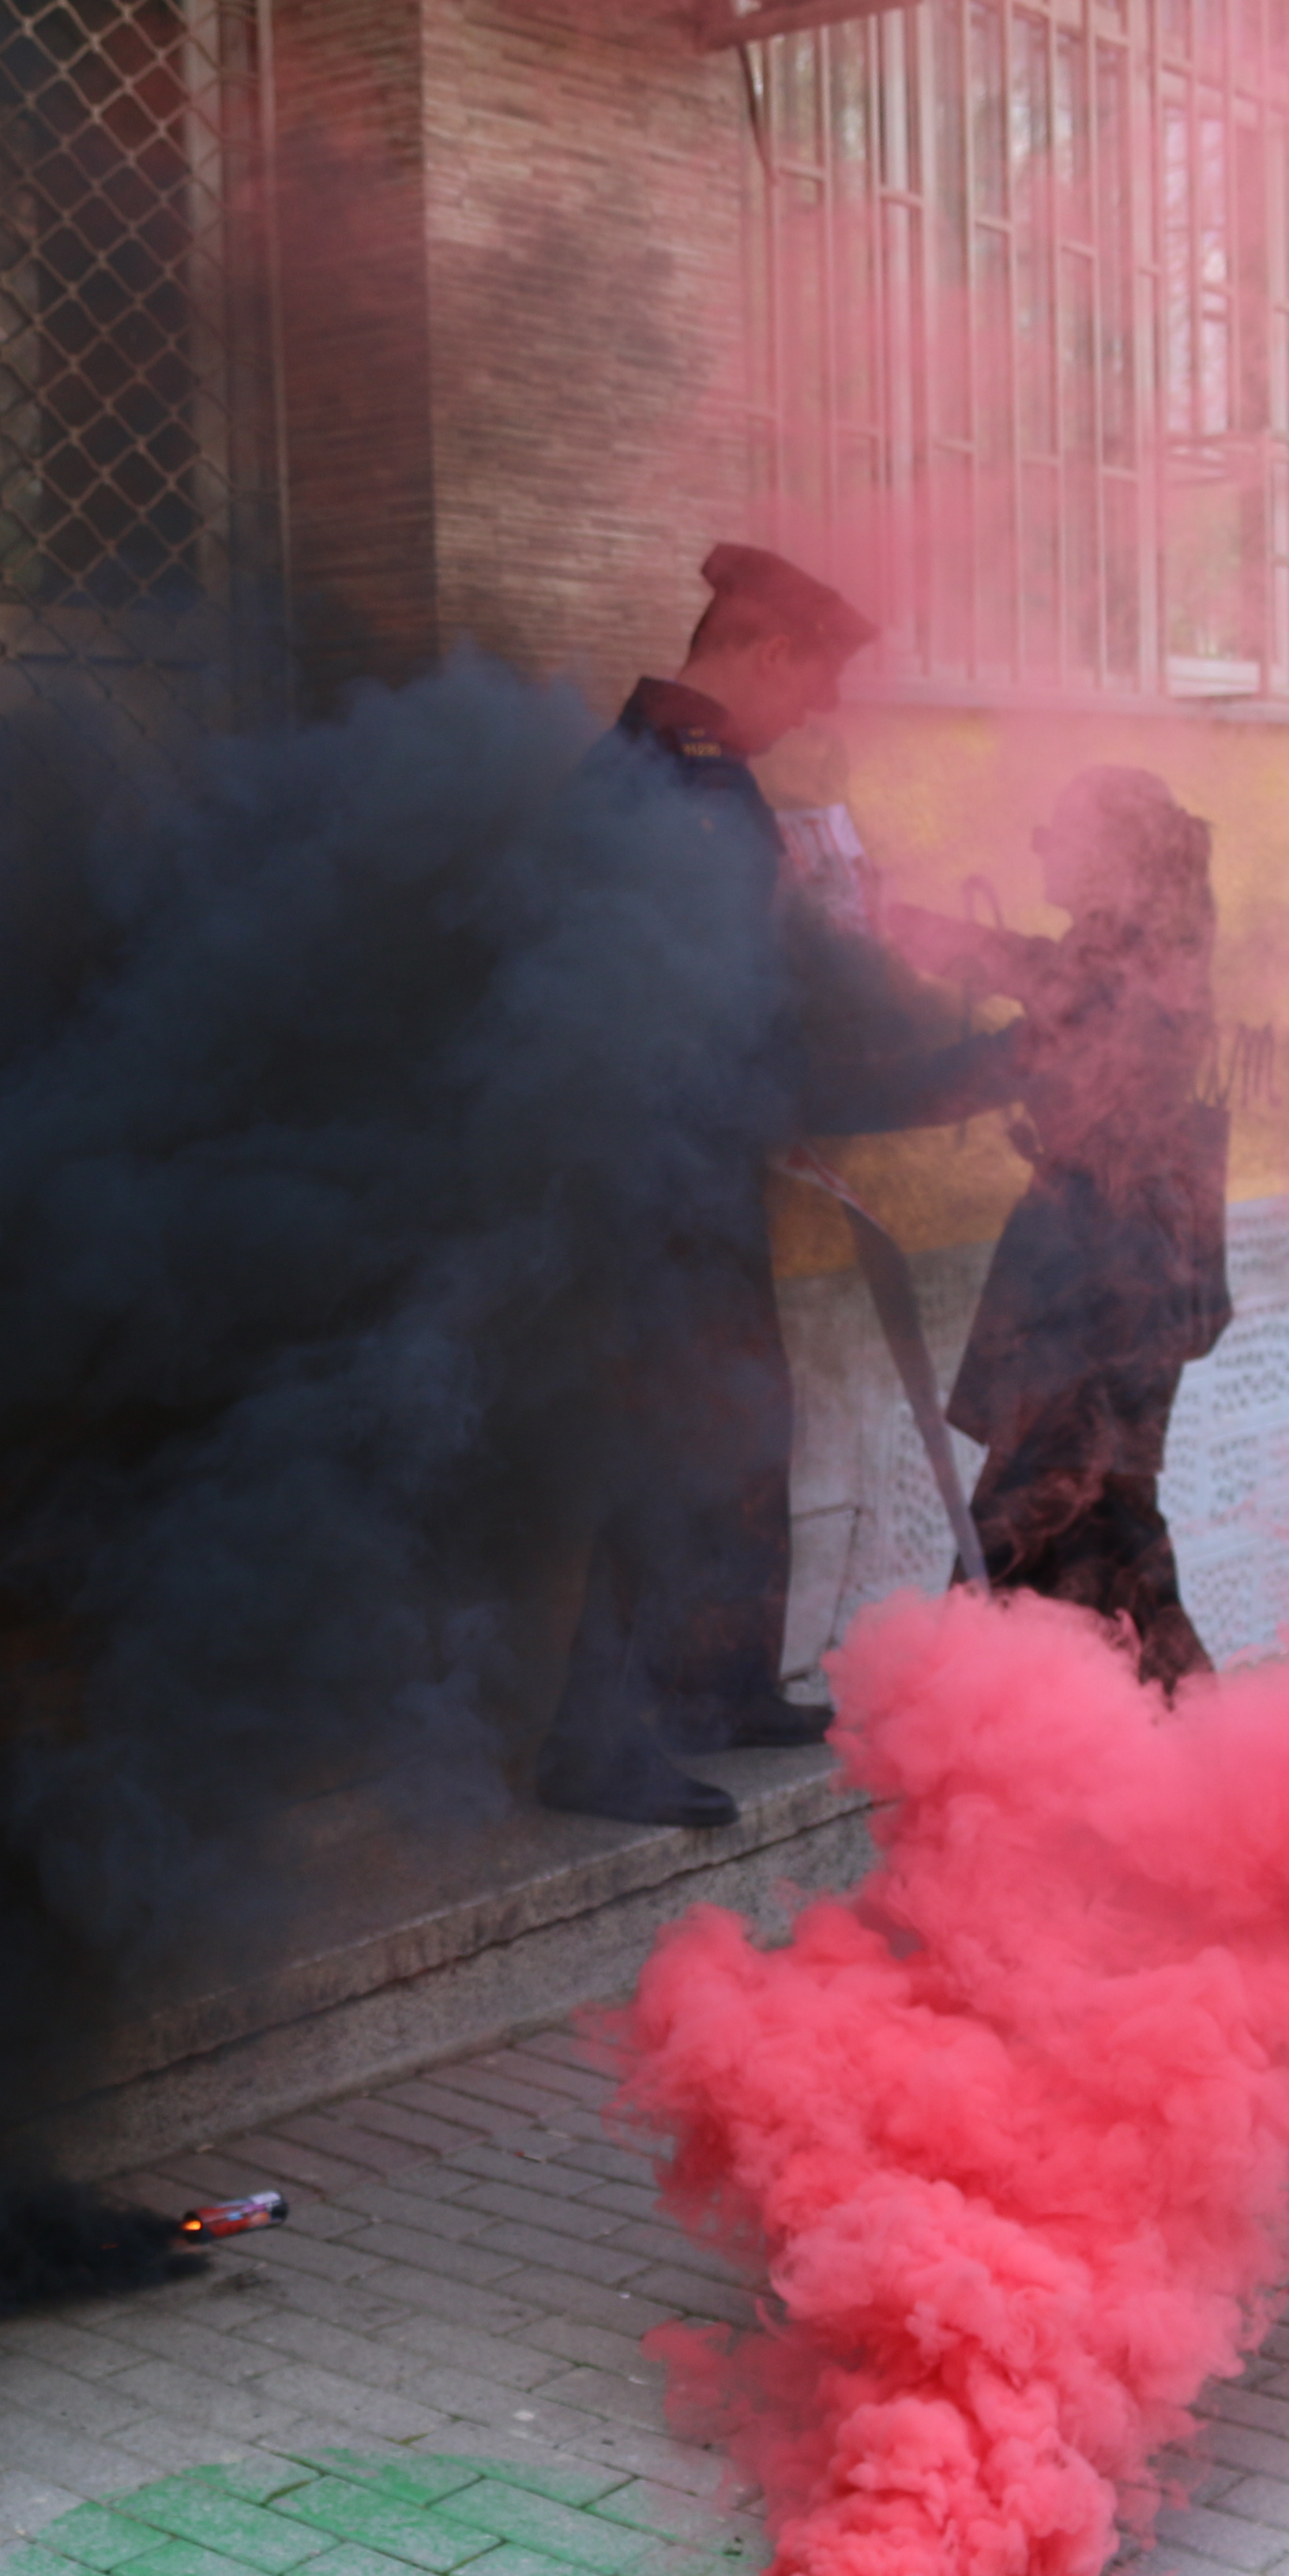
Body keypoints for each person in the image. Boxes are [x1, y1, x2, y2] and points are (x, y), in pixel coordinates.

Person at [537, 542, 913, 1832]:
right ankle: (598, 1743)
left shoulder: (709, 784)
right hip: (648, 1176)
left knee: (745, 1429)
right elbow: (658, 1010)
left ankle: (720, 1685)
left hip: (705, 1163)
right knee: (666, 1447)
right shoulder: (660, 789)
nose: (814, 715)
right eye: (809, 685)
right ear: (763, 651)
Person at [885, 768, 1232, 1691]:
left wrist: (819, 1093)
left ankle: (983, 1722)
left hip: (1104, 1281)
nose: (1043, 849)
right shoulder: (1140, 947)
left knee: (1027, 1524)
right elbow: (1028, 971)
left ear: (1109, 859)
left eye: (1059, 834)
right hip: (1125, 1272)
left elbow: (1016, 1036)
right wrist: (893, 922)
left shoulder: (1128, 963)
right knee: (1104, 1526)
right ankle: (1192, 1750)